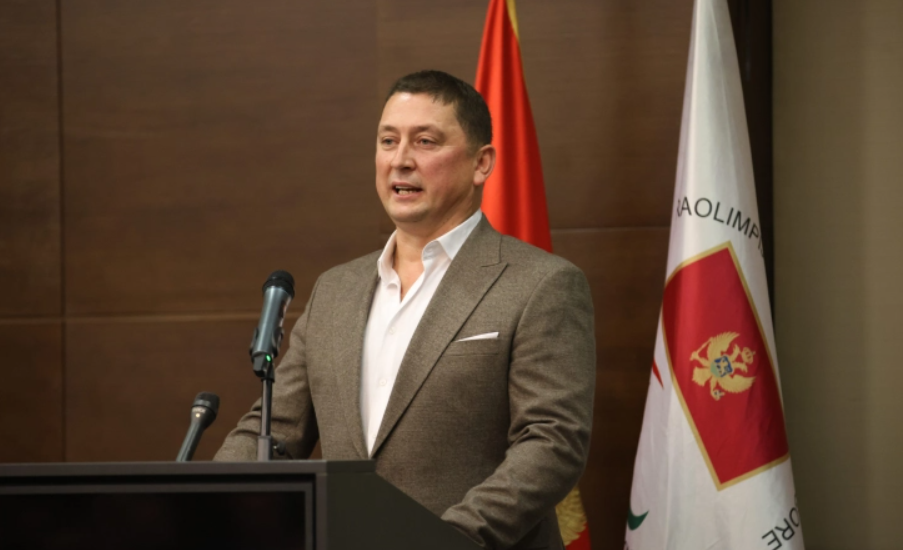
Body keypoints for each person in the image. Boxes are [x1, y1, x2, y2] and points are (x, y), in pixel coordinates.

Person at [215, 70, 595, 550]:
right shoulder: (336, 290)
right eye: (388, 141)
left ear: (481, 163)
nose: (400, 160)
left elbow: (552, 443)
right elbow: (274, 430)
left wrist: (444, 539)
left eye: (425, 141)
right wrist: (206, 502)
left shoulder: (540, 284)